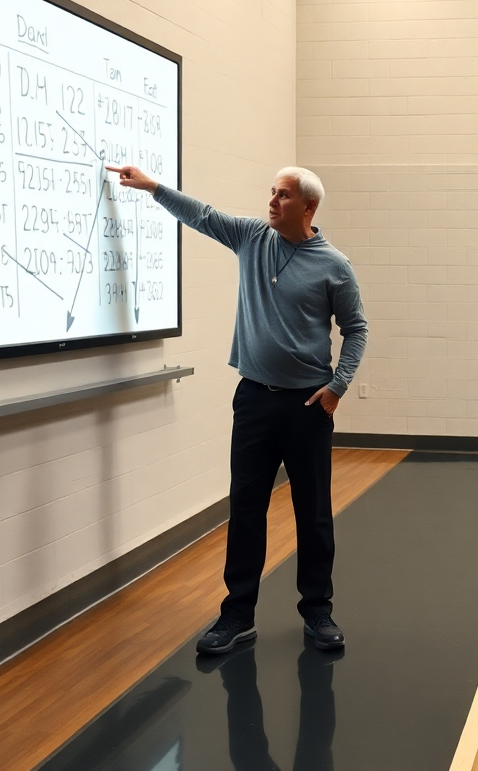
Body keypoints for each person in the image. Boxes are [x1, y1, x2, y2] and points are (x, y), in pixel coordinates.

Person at [108, 163, 368, 653]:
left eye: (284, 195)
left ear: (308, 207)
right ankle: (238, 615)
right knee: (246, 509)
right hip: (253, 400)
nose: (272, 201)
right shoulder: (252, 237)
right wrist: (153, 188)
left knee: (312, 514)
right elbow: (203, 216)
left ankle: (318, 612)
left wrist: (338, 387)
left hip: (308, 406)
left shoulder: (334, 264)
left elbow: (357, 328)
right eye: (271, 191)